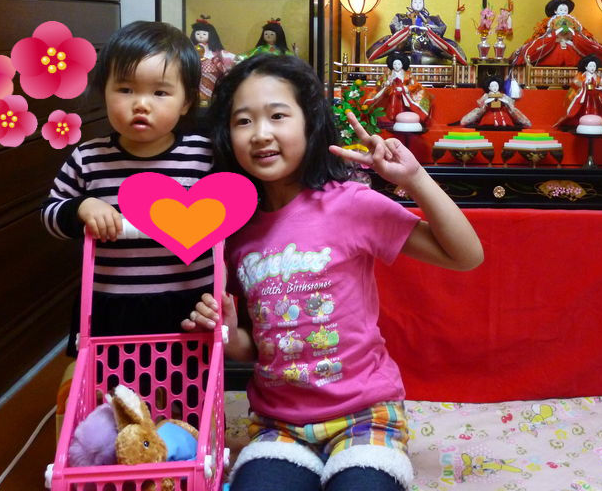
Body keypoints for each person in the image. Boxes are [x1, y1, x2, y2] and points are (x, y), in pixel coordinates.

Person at [184, 54, 482, 491]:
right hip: (279, 425)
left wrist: (414, 178)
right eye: (243, 121)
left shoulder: (350, 204)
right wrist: (228, 332)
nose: (261, 133)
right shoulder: (234, 230)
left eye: (277, 115)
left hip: (365, 415)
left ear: (310, 123)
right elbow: (256, 348)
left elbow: (466, 255)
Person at [41, 21, 214, 356]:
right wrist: (82, 207)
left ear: (186, 102)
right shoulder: (89, 158)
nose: (141, 104)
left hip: (189, 303)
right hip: (110, 303)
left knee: (186, 381)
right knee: (111, 383)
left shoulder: (204, 156)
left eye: (160, 93)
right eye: (125, 89)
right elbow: (50, 213)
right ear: (104, 91)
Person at [509, 0, 602, 68]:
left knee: (585, 47)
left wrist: (572, 32)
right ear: (555, 11)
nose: (563, 12)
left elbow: (580, 31)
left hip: (570, 41)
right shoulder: (550, 22)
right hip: (554, 41)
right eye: (561, 10)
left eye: (565, 10)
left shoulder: (572, 20)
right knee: (541, 48)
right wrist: (556, 32)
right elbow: (545, 34)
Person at [366, 0, 467, 65]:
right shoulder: (401, 17)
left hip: (427, 49)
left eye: (420, 2)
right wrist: (407, 29)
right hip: (406, 49)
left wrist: (428, 28)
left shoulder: (432, 18)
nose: (417, 4)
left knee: (448, 47)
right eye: (415, 2)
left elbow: (441, 27)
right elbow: (394, 27)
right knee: (388, 44)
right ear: (411, 3)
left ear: (423, 3)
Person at [364, 52, 431, 128]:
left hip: (404, 94)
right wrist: (385, 83)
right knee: (387, 101)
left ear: (402, 65)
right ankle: (389, 118)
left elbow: (414, 85)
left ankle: (404, 118)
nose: (396, 66)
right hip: (389, 93)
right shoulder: (388, 74)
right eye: (394, 64)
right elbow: (380, 83)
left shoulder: (408, 74)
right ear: (392, 65)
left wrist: (404, 88)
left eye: (399, 64)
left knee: (408, 105)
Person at [556, 54, 602, 128]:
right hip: (584, 96)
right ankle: (579, 121)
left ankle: (596, 121)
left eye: (594, 66)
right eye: (590, 66)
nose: (592, 68)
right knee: (581, 110)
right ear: (586, 67)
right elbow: (575, 82)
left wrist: (601, 87)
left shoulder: (599, 75)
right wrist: (584, 85)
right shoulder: (581, 75)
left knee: (597, 110)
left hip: (596, 97)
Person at [191, 16, 238, 108]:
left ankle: (208, 101)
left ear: (211, 35)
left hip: (212, 72)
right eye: (198, 33)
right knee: (198, 89)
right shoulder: (192, 48)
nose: (201, 36)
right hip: (196, 72)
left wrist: (237, 59)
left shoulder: (214, 50)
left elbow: (227, 56)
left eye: (204, 34)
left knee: (210, 89)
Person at [458, 77, 531, 129]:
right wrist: (486, 104)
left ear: (499, 86)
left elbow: (511, 107)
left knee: (509, 118)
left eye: (496, 85)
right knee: (485, 119)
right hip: (489, 115)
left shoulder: (503, 96)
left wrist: (505, 103)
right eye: (492, 86)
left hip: (502, 114)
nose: (495, 87)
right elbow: (481, 108)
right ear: (489, 88)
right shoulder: (486, 96)